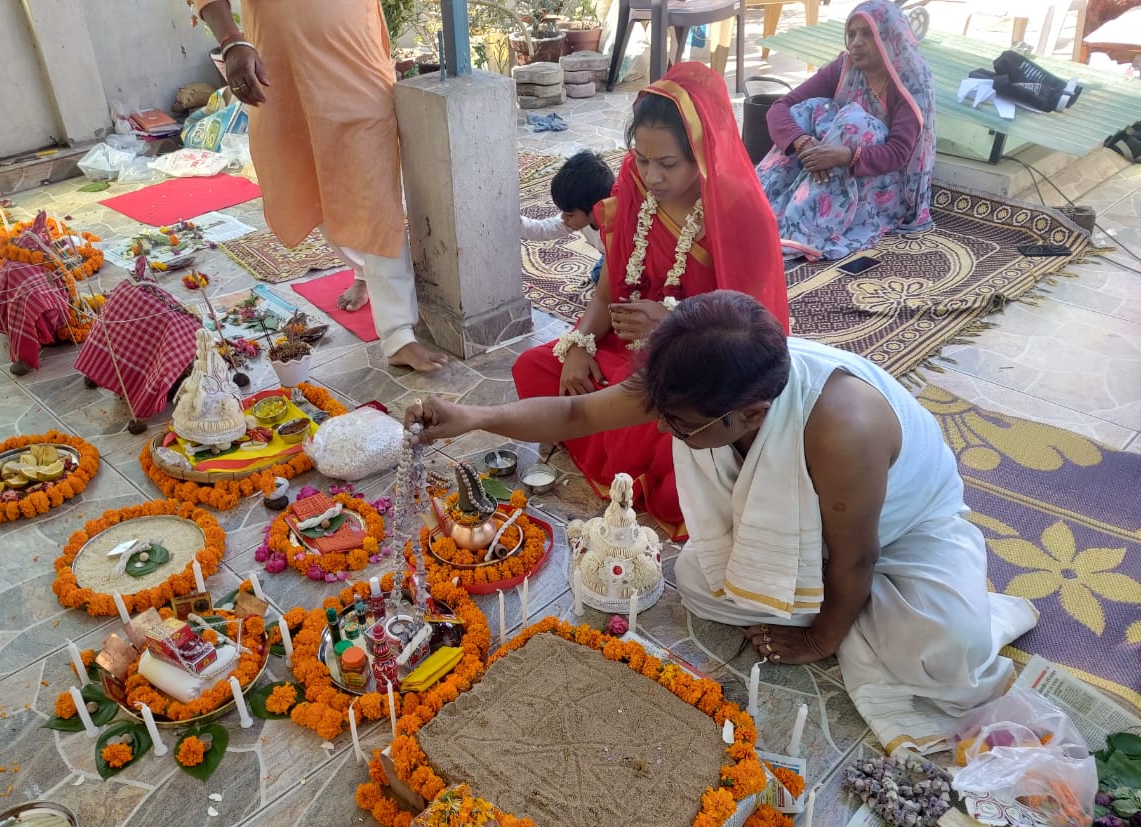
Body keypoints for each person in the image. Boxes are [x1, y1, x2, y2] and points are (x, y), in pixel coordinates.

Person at [412, 291, 1038, 750]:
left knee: (951, 653)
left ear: (752, 414)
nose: (662, 429)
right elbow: (578, 418)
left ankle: (921, 612)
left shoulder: (843, 427)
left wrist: (819, 640)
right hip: (828, 538)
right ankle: (858, 612)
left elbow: (856, 558)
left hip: (903, 534)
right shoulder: (695, 376)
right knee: (695, 583)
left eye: (679, 425)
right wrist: (472, 419)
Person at [511, 62, 789, 540]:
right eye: (642, 159)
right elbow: (609, 289)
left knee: (659, 445)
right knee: (537, 368)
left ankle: (632, 462)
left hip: (697, 363)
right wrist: (577, 344)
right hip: (628, 346)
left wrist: (672, 322)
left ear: (700, 153)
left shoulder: (737, 211)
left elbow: (751, 335)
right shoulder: (635, 186)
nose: (651, 176)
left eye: (667, 164)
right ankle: (617, 447)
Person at [195, 0, 447, 371]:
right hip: (282, 79)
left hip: (358, 69)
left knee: (375, 199)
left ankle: (397, 335)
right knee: (309, 192)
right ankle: (364, 271)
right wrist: (231, 41)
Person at [756, 0, 936, 261]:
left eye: (867, 33)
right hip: (825, 165)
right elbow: (780, 108)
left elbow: (898, 154)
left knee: (857, 124)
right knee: (806, 112)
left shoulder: (909, 82)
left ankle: (802, 225)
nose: (856, 42)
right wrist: (804, 143)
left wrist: (844, 155)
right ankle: (761, 203)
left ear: (889, 37)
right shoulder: (844, 67)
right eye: (851, 34)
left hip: (881, 182)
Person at [520, 150, 614, 283]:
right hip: (610, 255)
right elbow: (545, 229)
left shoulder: (618, 225)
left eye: (569, 214)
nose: (564, 218)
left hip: (630, 257)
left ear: (595, 210)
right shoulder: (579, 215)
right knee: (599, 276)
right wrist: (516, 223)